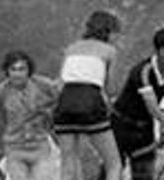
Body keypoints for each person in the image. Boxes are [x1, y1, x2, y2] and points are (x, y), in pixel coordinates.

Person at [0, 52, 61, 180]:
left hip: (39, 147)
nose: (18, 74)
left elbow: (61, 96)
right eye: (13, 70)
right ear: (7, 71)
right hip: (15, 147)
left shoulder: (42, 85)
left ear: (29, 71)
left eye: (22, 69)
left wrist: (51, 114)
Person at [52, 11, 122, 180]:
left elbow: (60, 85)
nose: (117, 38)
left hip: (65, 103)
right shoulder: (109, 51)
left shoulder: (71, 49)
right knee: (114, 163)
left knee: (68, 163)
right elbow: (110, 88)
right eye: (116, 33)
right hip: (90, 100)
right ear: (109, 31)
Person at [110, 28, 164, 180]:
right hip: (120, 126)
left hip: (144, 129)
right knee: (112, 170)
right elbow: (152, 106)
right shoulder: (142, 71)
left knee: (144, 175)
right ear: (157, 51)